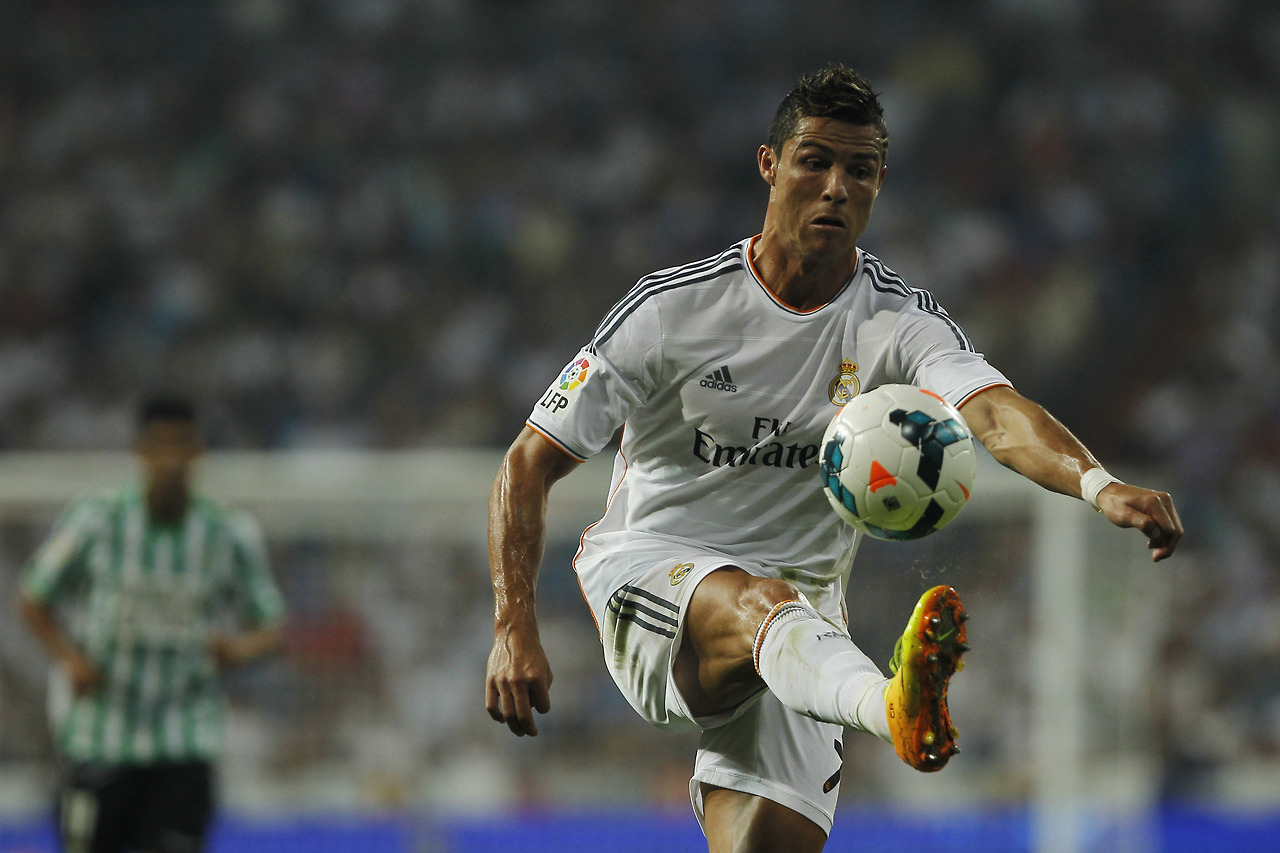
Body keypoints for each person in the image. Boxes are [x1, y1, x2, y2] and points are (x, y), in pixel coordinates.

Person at [485, 64, 1182, 851]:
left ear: (880, 181)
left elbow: (992, 410)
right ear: (769, 164)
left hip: (804, 634)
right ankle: (891, 706)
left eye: (860, 169)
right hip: (653, 578)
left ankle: (868, 693)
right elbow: (527, 463)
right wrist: (513, 624)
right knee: (759, 601)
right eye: (814, 161)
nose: (836, 187)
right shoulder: (672, 309)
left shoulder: (898, 321)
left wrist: (1097, 484)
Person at [17, 396, 286, 853]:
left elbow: (272, 624)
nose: (170, 460)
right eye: (159, 446)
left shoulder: (228, 532)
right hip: (100, 737)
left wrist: (238, 651)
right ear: (140, 451)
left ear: (198, 452)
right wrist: (70, 658)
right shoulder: (97, 520)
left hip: (183, 740)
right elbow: (33, 596)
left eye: (181, 446)